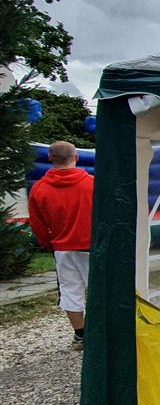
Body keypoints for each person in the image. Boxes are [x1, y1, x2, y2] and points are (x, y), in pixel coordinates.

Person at [28, 141, 94, 350]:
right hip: (93, 248)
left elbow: (37, 224)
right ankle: (104, 334)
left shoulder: (39, 188)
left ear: (50, 158)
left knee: (70, 291)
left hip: (63, 249)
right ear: (76, 157)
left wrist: (48, 244)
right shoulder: (93, 184)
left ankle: (81, 335)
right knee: (100, 290)